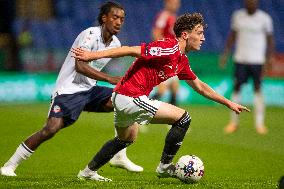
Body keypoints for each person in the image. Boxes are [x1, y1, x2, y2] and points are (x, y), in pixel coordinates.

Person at [71, 12, 250, 182]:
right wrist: (91, 55)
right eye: (200, 33)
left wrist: (227, 102)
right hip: (130, 96)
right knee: (183, 118)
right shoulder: (168, 48)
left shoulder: (181, 60)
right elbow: (129, 50)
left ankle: (87, 172)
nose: (203, 38)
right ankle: (164, 167)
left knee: (126, 138)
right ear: (186, 35)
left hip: (121, 96)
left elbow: (200, 87)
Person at [0, 1, 143, 179]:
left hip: (90, 90)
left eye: (122, 19)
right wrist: (109, 79)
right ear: (104, 18)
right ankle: (10, 165)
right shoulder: (89, 35)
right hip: (69, 90)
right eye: (115, 17)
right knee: (51, 129)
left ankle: (119, 155)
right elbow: (80, 66)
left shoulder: (116, 43)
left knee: (125, 98)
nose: (119, 22)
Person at [220, 0, 275, 135]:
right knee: (237, 88)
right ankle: (233, 123)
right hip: (241, 59)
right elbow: (232, 36)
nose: (251, 3)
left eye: (253, 1)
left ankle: (259, 124)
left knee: (258, 89)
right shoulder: (238, 16)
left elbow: (270, 40)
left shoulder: (265, 18)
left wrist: (269, 58)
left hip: (257, 60)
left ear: (257, 3)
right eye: (248, 1)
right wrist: (226, 54)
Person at [151, 0, 181, 105]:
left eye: (177, 3)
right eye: (173, 3)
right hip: (164, 56)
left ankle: (174, 115)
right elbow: (156, 33)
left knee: (175, 88)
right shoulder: (164, 16)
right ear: (167, 3)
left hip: (172, 57)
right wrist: (165, 50)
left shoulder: (174, 18)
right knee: (162, 90)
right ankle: (143, 106)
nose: (175, 5)